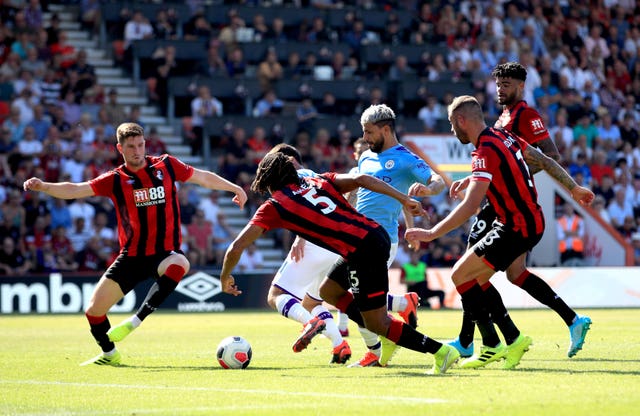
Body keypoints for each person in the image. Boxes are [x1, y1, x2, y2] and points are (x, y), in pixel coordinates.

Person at [22, 122, 248, 366]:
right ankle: (110, 354)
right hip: (131, 257)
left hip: (164, 253)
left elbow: (202, 177)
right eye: (130, 147)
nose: (137, 151)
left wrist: (233, 187)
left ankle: (135, 321)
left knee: (181, 262)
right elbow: (76, 189)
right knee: (93, 312)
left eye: (140, 145)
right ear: (120, 148)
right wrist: (44, 186)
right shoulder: (115, 179)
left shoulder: (166, 165)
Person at [220, 152, 460, 374]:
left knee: (376, 323)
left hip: (364, 249)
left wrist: (224, 277)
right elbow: (363, 179)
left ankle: (440, 351)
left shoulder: (276, 205)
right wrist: (402, 198)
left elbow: (236, 247)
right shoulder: (317, 180)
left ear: (268, 182)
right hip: (371, 237)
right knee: (328, 291)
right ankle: (389, 324)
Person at [406, 95, 595, 370]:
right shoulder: (503, 137)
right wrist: (573, 188)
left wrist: (430, 233)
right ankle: (509, 339)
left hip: (516, 225)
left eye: (451, 124)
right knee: (485, 278)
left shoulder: (484, 151)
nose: (451, 130)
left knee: (461, 274)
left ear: (461, 121)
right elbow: (543, 160)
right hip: (530, 219)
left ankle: (492, 343)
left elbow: (471, 205)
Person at [448, 62, 593, 361]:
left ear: (521, 86)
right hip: (499, 202)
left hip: (506, 206)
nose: (502, 89)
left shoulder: (527, 115)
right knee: (515, 274)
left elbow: (549, 155)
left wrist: (513, 175)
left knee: (470, 271)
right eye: (499, 84)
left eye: (508, 84)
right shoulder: (503, 117)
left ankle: (471, 340)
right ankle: (573, 320)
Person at [347, 104, 445, 368]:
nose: (365, 138)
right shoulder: (365, 157)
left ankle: (379, 348)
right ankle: (398, 312)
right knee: (345, 295)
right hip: (356, 236)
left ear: (386, 129)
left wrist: (426, 190)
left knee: (354, 299)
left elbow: (438, 181)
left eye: (369, 132)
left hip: (380, 240)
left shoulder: (406, 158)